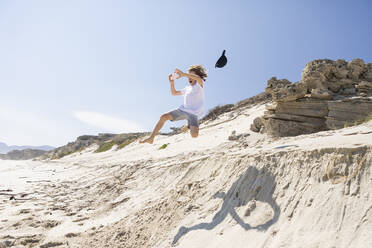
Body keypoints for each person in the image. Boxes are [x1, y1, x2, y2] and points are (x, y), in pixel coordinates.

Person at [140, 65, 207, 144]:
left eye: (191, 75)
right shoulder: (187, 88)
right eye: (189, 76)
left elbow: (198, 78)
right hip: (183, 110)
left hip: (194, 114)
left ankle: (188, 124)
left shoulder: (199, 84)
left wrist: (183, 74)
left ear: (196, 76)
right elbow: (174, 93)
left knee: (194, 135)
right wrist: (172, 83)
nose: (189, 77)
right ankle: (151, 138)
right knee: (163, 116)